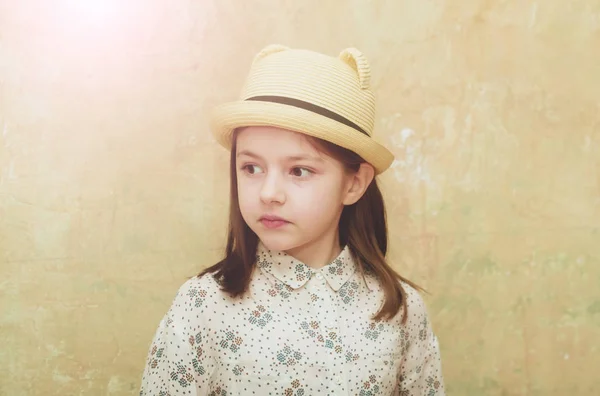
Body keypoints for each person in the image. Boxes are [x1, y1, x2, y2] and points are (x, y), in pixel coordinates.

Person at [140, 44, 445, 395]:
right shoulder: (202, 305)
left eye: (299, 171)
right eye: (251, 168)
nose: (269, 192)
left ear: (354, 183)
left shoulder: (400, 311)